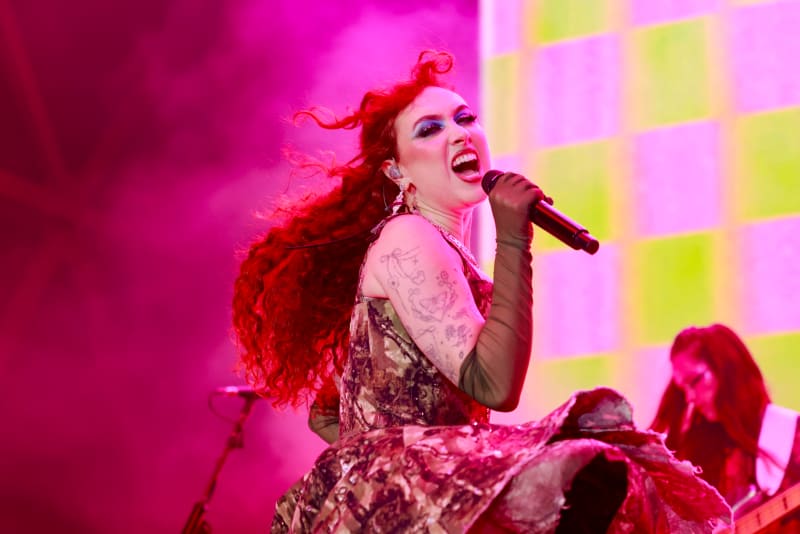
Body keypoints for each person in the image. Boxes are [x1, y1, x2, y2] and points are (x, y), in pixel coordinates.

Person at [233, 51, 729, 533]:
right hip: (403, 494)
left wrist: (371, 449)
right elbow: (493, 386)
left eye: (465, 118)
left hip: (412, 485)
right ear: (396, 172)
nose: (459, 133)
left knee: (597, 478)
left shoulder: (437, 247)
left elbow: (325, 409)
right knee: (589, 471)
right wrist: (514, 237)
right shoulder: (409, 236)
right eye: (430, 129)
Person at [651, 323, 800, 533]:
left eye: (695, 381)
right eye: (683, 389)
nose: (690, 398)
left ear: (728, 370)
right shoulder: (695, 449)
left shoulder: (790, 433)